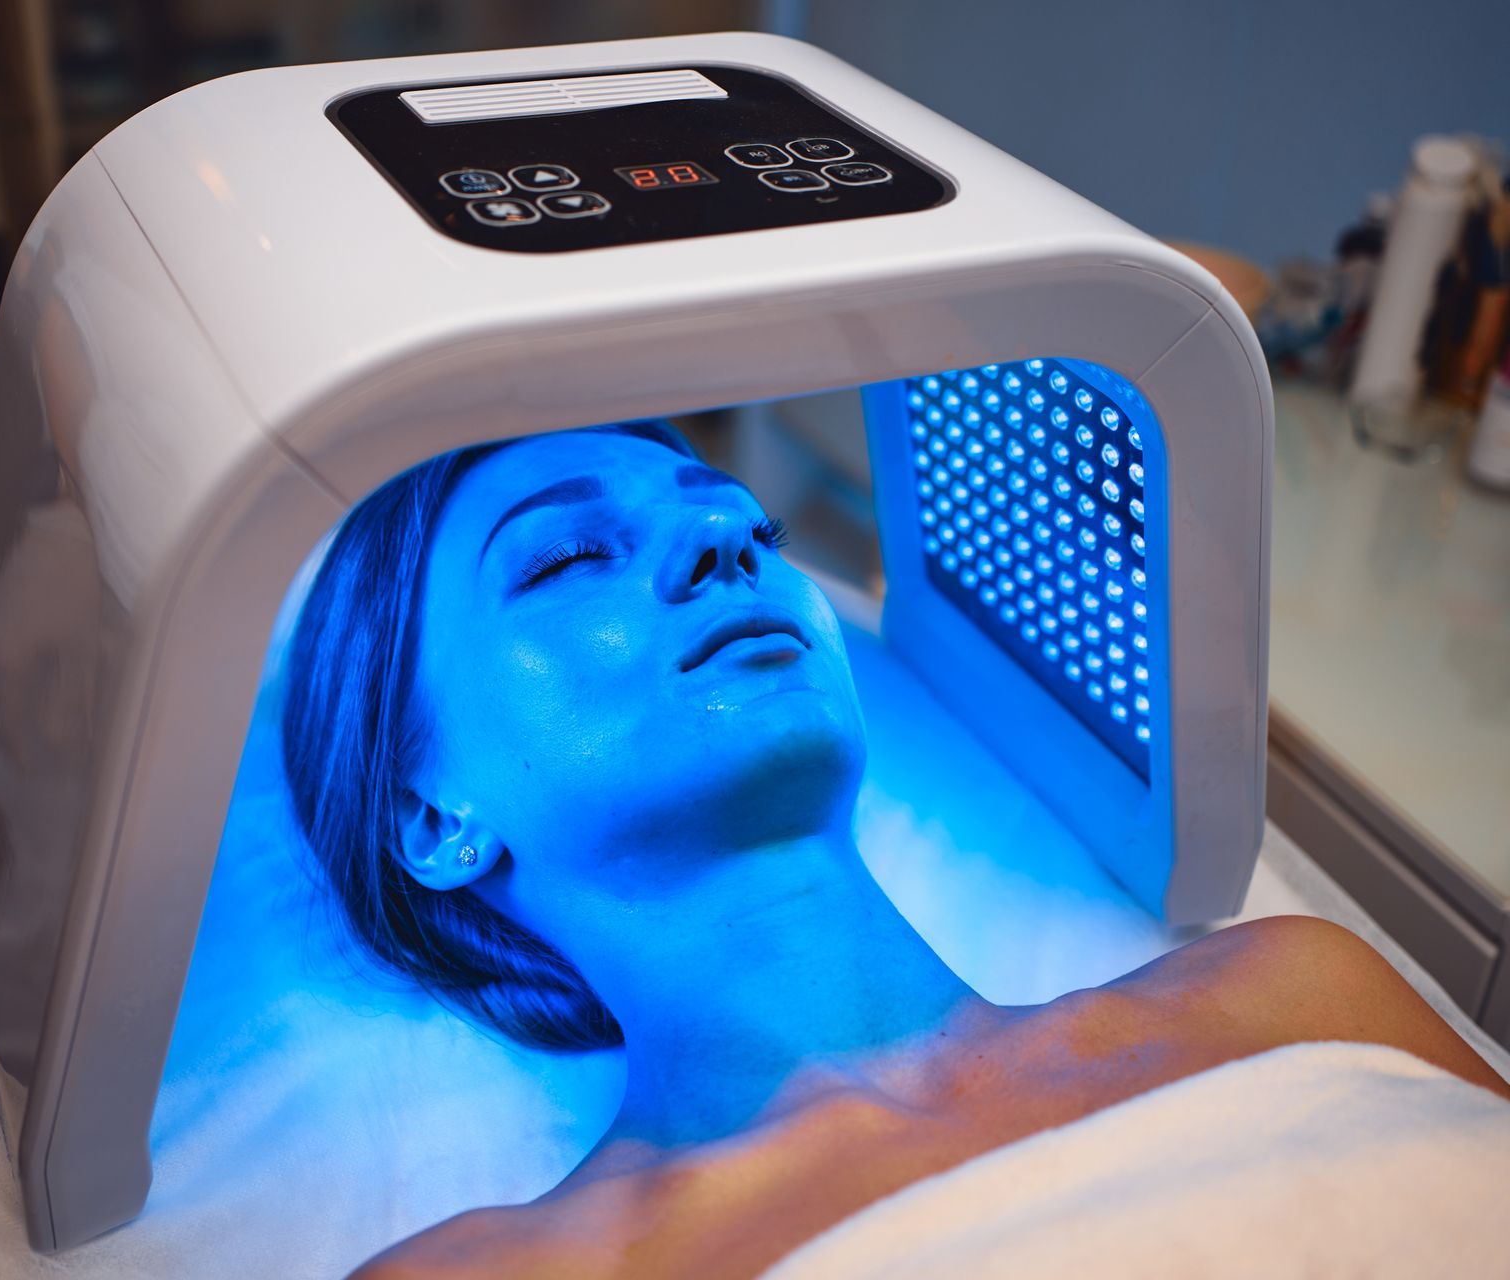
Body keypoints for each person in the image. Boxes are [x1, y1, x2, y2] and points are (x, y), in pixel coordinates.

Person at [280, 422, 1510, 1279]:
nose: (724, 547)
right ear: (429, 816)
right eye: (565, 557)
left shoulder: (1298, 989)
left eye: (747, 525)